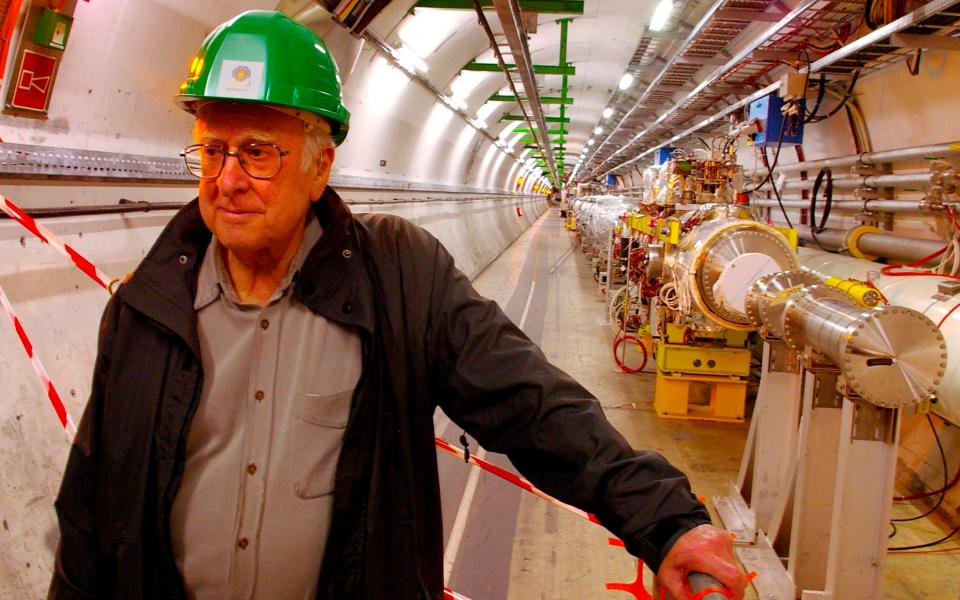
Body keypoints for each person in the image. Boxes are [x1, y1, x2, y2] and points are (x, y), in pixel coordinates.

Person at [49, 10, 745, 600]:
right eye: (212, 151)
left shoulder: (398, 278)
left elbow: (531, 403)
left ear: (320, 166)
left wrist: (663, 521)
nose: (228, 180)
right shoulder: (145, 308)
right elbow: (87, 509)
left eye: (258, 153)